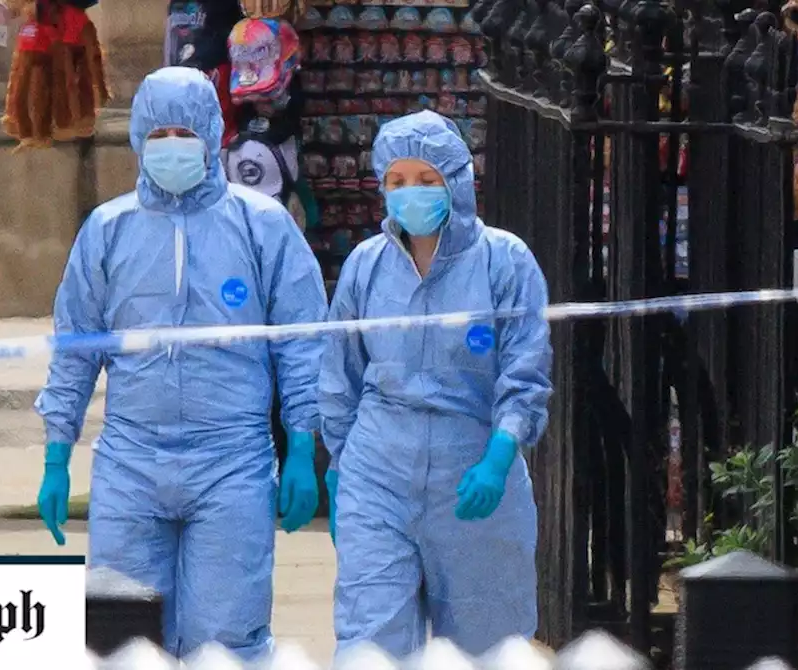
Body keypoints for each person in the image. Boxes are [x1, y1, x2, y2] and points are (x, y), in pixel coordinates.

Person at [34, 66, 328, 660]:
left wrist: (303, 447)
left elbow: (302, 343)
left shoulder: (261, 226)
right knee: (122, 640)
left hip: (232, 461)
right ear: (139, 137)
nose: (172, 145)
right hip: (130, 461)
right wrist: (56, 453)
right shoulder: (108, 231)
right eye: (160, 133)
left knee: (226, 641)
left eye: (184, 131)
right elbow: (75, 347)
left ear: (212, 133)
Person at [319, 110, 552, 658]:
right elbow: (340, 372)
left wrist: (499, 455)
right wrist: (339, 467)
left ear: (457, 182)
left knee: (486, 647)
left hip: (470, 469)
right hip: (377, 472)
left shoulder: (504, 260)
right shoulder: (365, 266)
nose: (411, 194)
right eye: (397, 182)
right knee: (369, 644)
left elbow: (526, 366)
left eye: (427, 181)